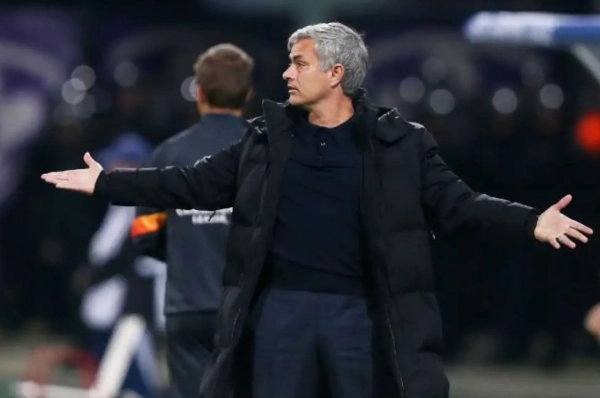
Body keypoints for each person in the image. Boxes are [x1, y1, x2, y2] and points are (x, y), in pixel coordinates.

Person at [41, 22, 593, 398]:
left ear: (335, 74)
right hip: (280, 311)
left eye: (299, 63)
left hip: (361, 314)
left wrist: (531, 222)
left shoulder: (399, 143)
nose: (286, 73)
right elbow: (193, 183)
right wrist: (107, 182)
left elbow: (460, 205)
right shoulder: (266, 139)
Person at [130, 44, 253, 398]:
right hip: (250, 309)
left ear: (199, 92)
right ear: (248, 94)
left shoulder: (167, 155)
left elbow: (143, 234)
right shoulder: (267, 151)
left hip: (187, 306)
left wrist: (184, 253)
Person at [73, 133, 161, 398]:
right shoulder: (119, 205)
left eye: (117, 164)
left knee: (139, 380)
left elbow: (133, 253)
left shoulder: (150, 206)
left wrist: (92, 276)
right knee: (109, 381)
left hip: (131, 309)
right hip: (105, 307)